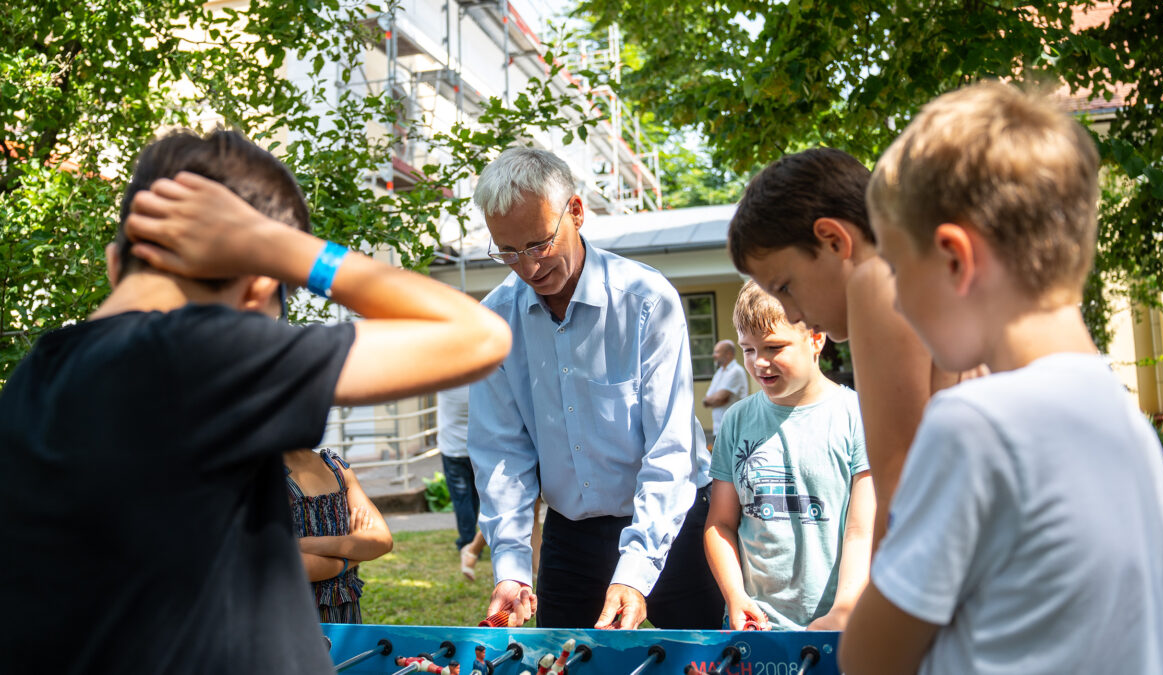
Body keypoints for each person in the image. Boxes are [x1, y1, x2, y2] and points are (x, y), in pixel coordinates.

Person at [0, 129, 511, 673]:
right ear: (259, 287)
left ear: (113, 263)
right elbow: (479, 336)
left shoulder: (34, 379)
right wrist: (281, 247)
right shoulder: (203, 356)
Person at [838, 82, 1163, 673]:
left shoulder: (975, 426)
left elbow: (868, 657)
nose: (896, 305)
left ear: (954, 259)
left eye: (896, 268)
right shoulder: (1123, 418)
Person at [468, 147, 723, 629]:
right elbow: (501, 453)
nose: (526, 266)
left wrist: (635, 569)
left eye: (538, 243)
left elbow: (670, 450)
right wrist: (512, 568)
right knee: (565, 662)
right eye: (507, 250)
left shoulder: (648, 302)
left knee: (704, 659)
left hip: (674, 524)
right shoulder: (494, 321)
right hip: (572, 534)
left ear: (577, 212)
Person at [727, 147, 970, 547]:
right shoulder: (931, 279)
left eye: (786, 286)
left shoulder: (878, 286)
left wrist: (855, 612)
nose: (792, 311)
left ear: (834, 240)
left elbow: (902, 501)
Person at [705, 281, 873, 631]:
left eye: (774, 347)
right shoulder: (737, 420)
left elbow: (862, 532)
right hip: (755, 625)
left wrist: (843, 611)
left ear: (815, 338)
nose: (759, 362)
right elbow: (720, 524)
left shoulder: (857, 415)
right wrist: (736, 596)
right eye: (748, 350)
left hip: (838, 623)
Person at [283, 446, 393, 622]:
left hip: (345, 611)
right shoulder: (265, 479)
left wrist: (309, 544)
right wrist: (354, 551)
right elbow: (293, 566)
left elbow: (382, 540)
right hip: (295, 616)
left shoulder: (335, 467)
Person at [437, 385, 487, 580]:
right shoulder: (478, 385)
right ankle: (476, 544)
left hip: (452, 450)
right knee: (477, 496)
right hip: (476, 448)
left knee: (462, 499)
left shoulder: (447, 384)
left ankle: (467, 542)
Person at [701, 339, 749, 438]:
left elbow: (719, 398)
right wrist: (710, 400)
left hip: (733, 431)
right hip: (718, 429)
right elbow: (707, 398)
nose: (713, 355)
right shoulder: (719, 373)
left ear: (729, 354)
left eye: (717, 352)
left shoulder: (736, 371)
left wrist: (713, 400)